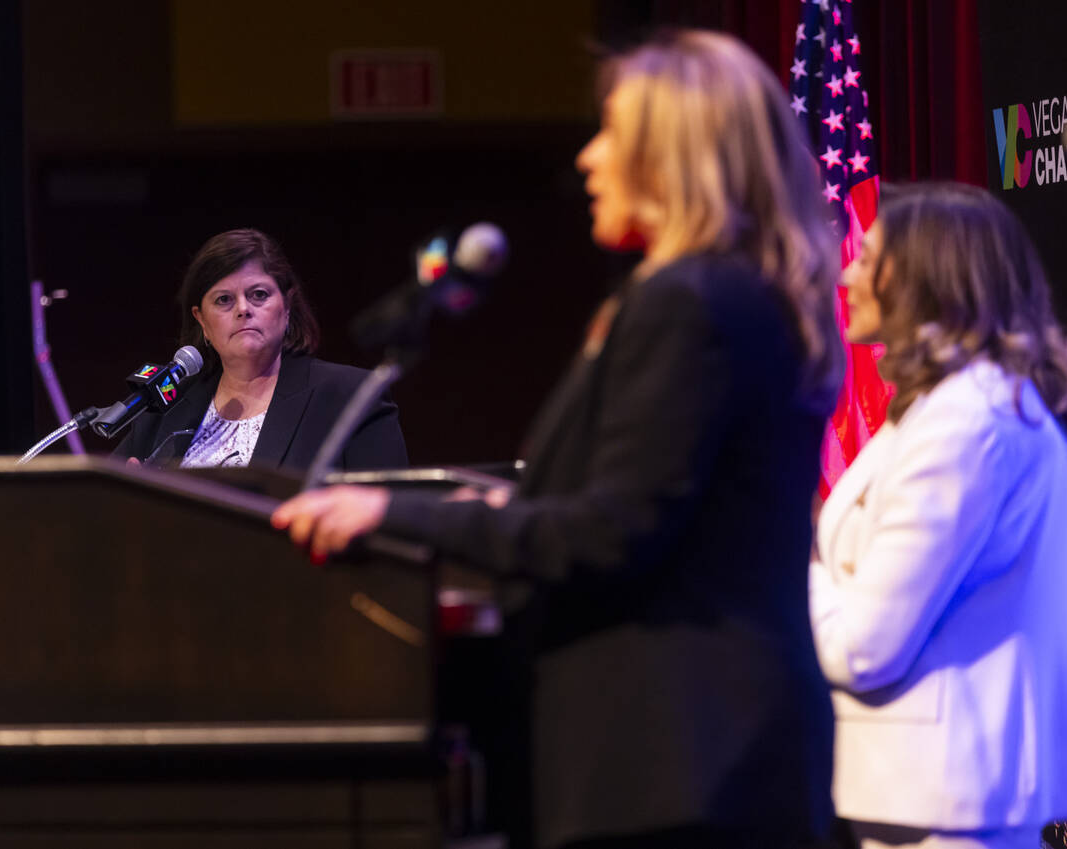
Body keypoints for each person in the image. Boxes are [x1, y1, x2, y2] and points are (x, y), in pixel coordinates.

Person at [274, 31, 843, 849]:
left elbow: (611, 534)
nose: (590, 158)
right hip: (710, 755)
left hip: (682, 765)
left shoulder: (689, 302)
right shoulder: (734, 291)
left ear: (670, 153)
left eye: (612, 132)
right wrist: (511, 502)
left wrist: (388, 512)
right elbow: (678, 509)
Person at [809, 183, 1067, 849]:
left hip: (950, 800)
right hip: (921, 789)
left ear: (930, 276)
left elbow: (865, 647)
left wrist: (800, 558)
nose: (845, 271)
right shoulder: (951, 405)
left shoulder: (968, 420)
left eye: (868, 257)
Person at [116, 228, 408, 472]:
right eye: (223, 300)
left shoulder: (351, 397)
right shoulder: (166, 408)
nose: (243, 309)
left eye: (259, 294)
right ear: (201, 320)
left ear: (287, 305)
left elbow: (389, 515)